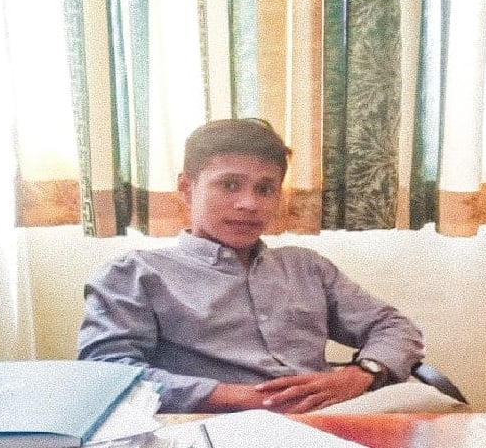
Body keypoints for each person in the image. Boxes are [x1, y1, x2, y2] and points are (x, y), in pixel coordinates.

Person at [77, 118, 463, 414]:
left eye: (265, 189)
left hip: (327, 422)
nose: (249, 204)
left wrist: (360, 375)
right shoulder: (134, 274)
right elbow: (107, 374)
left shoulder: (307, 268)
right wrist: (238, 397)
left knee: (440, 425)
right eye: (229, 185)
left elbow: (395, 327)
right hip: (209, 429)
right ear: (186, 188)